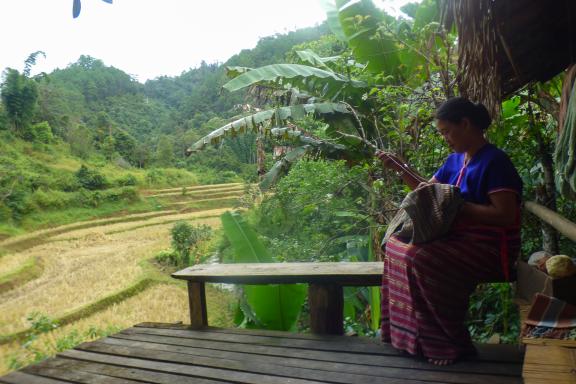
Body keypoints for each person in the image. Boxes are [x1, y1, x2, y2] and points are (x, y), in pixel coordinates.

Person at [377, 97, 523, 365]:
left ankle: (449, 343)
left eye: (446, 131)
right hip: (455, 238)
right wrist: (401, 169)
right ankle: (413, 338)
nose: (445, 138)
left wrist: (457, 208)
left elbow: (505, 215)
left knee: (419, 257)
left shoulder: (495, 161)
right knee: (395, 245)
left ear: (465, 124)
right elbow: (428, 193)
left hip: (489, 246)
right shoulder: (454, 160)